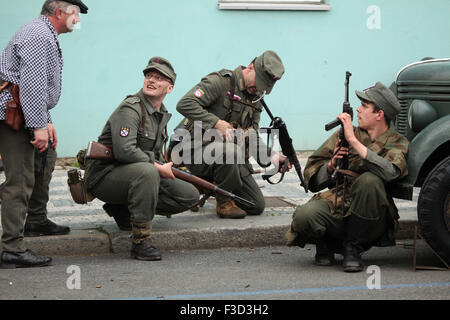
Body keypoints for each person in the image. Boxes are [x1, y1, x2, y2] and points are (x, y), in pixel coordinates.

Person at [84, 57, 200, 261]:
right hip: (105, 176)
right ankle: (140, 241)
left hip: (133, 175)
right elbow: (124, 151)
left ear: (169, 88)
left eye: (159, 78)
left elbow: (152, 152)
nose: (151, 80)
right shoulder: (131, 108)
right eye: (149, 75)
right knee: (148, 173)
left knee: (189, 195)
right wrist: (156, 166)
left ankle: (123, 208)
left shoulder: (159, 113)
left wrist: (163, 165)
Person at [0, 0, 88, 268]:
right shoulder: (39, 35)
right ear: (60, 13)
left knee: (46, 155)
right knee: (20, 180)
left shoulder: (43, 32)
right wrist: (38, 125)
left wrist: (45, 121)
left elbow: (33, 84)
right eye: (75, 14)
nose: (78, 19)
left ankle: (35, 220)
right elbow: (31, 83)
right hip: (13, 115)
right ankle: (11, 248)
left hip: (22, 109)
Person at [286, 82, 409, 272]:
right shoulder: (345, 134)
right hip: (340, 201)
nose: (358, 110)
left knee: (369, 181)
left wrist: (353, 141)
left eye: (365, 106)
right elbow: (312, 176)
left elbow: (390, 172)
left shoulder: (397, 142)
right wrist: (331, 164)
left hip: (373, 216)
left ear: (380, 114)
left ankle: (353, 248)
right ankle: (326, 242)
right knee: (304, 216)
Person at [173, 50, 290, 219]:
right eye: (258, 82)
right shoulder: (221, 82)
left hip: (226, 157)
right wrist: (216, 123)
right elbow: (184, 103)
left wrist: (271, 157)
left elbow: (251, 135)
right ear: (250, 67)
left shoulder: (256, 99)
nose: (258, 88)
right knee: (231, 151)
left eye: (264, 86)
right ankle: (223, 201)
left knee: (256, 205)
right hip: (193, 150)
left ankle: (205, 183)